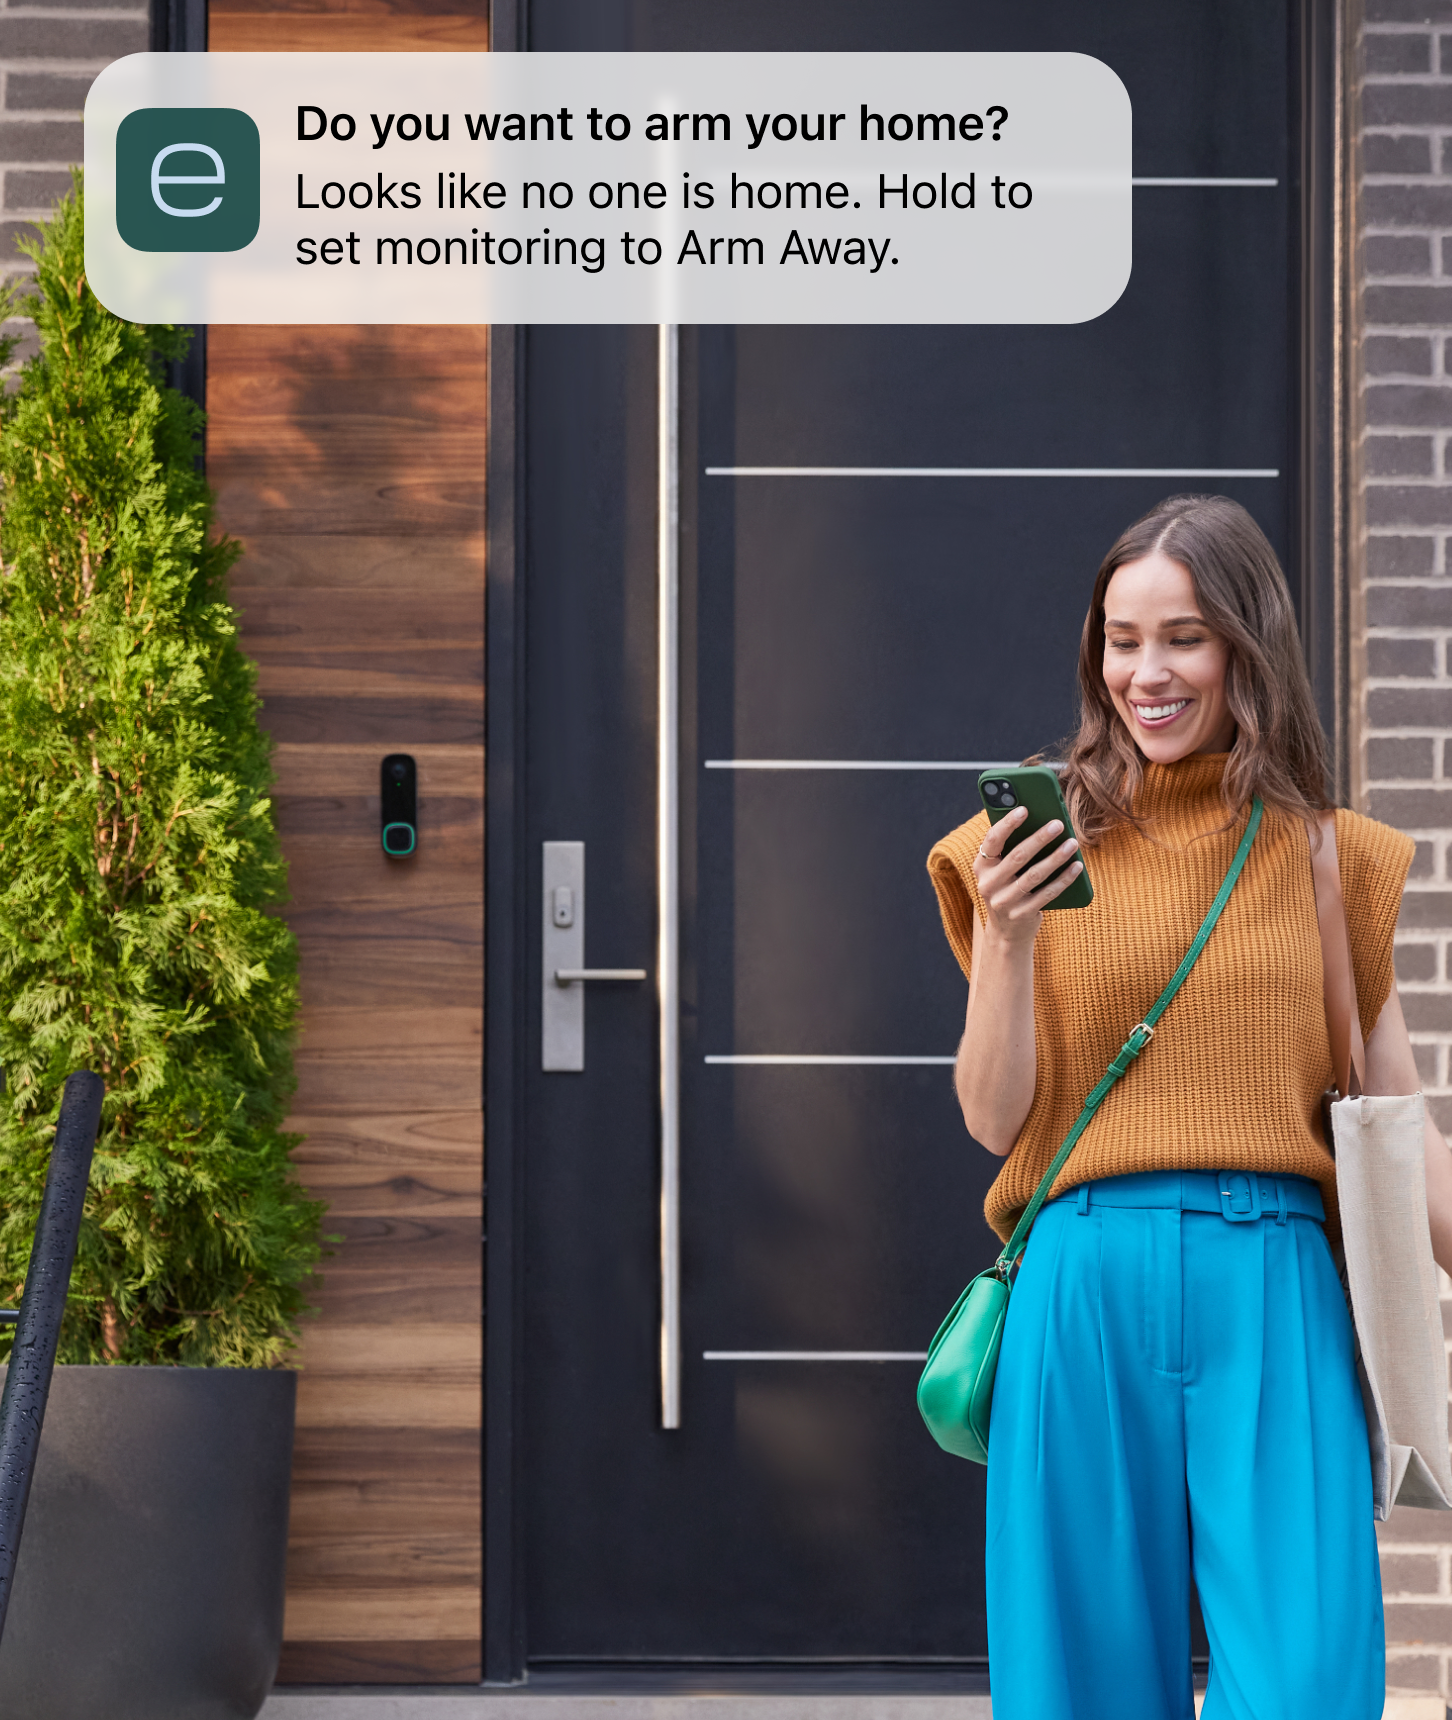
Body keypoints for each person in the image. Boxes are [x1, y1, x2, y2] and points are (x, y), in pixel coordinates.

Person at [926, 492, 1452, 1720]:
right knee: (1081, 1687)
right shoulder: (1026, 848)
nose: (1146, 674)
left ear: (1246, 649)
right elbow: (994, 1120)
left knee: (1311, 1680)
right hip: (1080, 1279)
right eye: (1122, 640)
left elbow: (1400, 1125)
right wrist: (1006, 939)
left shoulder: (1329, 858)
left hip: (1274, 1281)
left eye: (1183, 638)